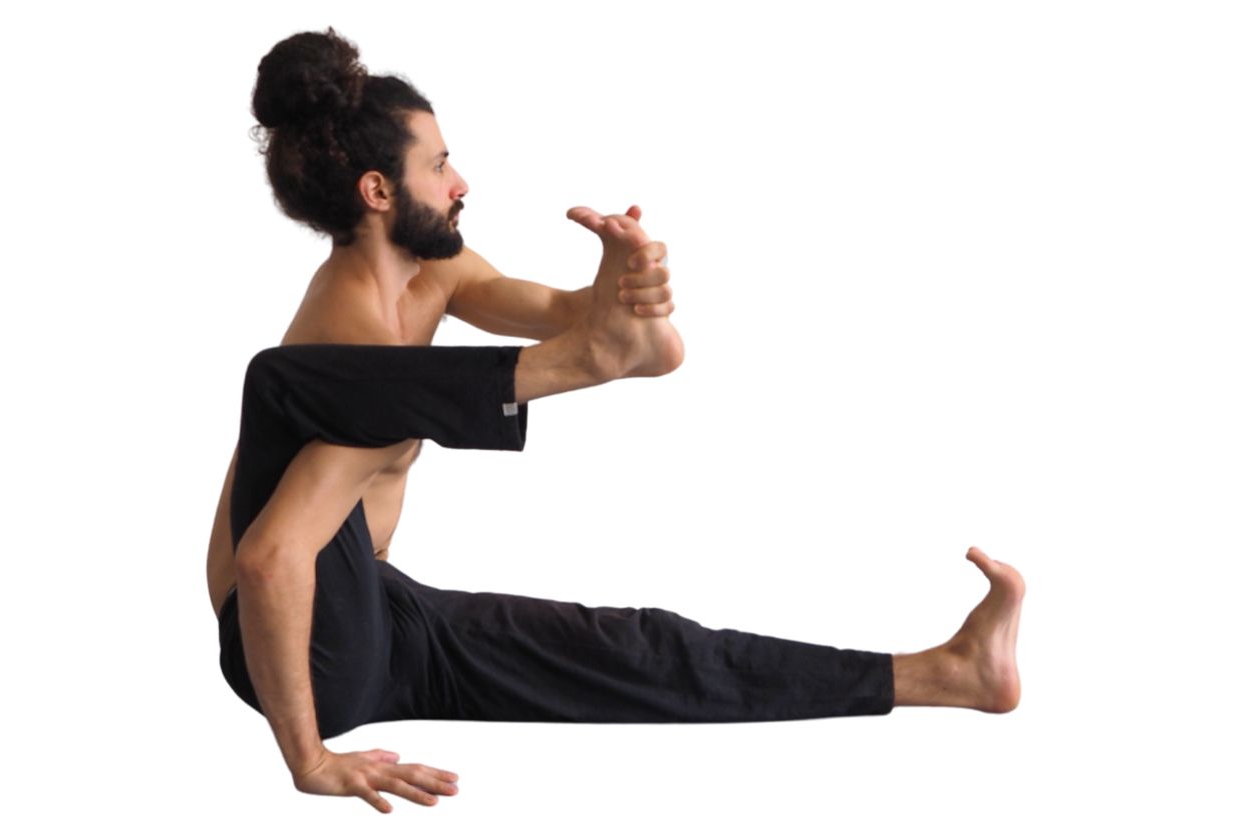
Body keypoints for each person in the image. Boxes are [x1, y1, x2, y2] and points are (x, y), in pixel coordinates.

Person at [207, 28, 1025, 813]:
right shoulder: (352, 338)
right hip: (296, 651)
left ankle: (945, 673)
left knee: (633, 647)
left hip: (382, 617)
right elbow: (273, 559)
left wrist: (624, 286)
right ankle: (575, 371)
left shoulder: (435, 272)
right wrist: (309, 759)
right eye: (441, 164)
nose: (461, 182)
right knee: (279, 380)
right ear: (379, 192)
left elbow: (568, 312)